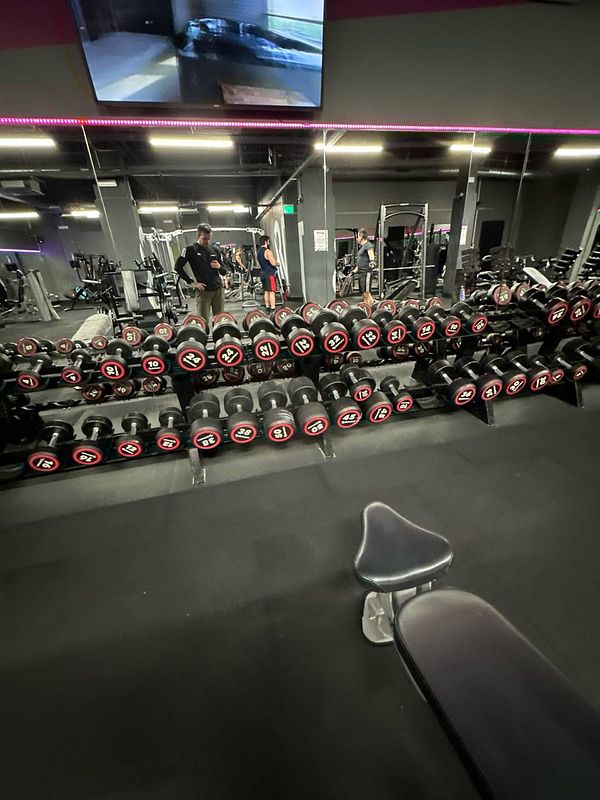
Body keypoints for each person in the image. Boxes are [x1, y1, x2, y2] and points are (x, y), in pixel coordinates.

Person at [175, 223, 227, 321]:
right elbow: (178, 267)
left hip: (218, 290)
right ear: (198, 235)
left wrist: (219, 266)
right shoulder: (189, 249)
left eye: (209, 238)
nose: (207, 241)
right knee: (203, 321)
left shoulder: (215, 249)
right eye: (204, 239)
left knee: (219, 321)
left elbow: (224, 271)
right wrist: (192, 283)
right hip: (203, 291)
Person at [353, 228, 376, 306]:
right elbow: (360, 261)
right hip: (361, 272)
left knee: (366, 293)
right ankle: (366, 308)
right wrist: (354, 271)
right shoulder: (362, 247)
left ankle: (371, 309)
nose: (357, 238)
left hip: (366, 272)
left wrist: (372, 261)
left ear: (362, 236)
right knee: (363, 293)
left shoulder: (368, 245)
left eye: (358, 236)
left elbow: (371, 254)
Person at [257, 234, 279, 310]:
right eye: (268, 241)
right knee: (272, 292)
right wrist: (277, 263)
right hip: (270, 274)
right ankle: (273, 308)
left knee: (266, 291)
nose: (269, 243)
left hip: (263, 274)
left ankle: (267, 307)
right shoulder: (267, 251)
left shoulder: (259, 252)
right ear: (266, 242)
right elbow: (273, 263)